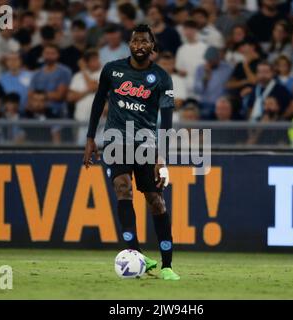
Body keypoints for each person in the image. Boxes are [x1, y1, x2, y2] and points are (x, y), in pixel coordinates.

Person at [83, 24, 180, 281]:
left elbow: (167, 122)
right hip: (116, 142)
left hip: (146, 145)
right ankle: (136, 254)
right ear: (130, 44)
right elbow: (98, 102)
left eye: (144, 41)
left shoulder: (161, 77)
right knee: (122, 188)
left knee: (155, 200)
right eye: (135, 41)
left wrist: (162, 158)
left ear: (152, 46)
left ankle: (167, 264)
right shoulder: (112, 70)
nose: (139, 45)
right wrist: (91, 138)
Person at [68, 49, 102, 146]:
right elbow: (70, 97)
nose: (97, 61)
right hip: (80, 121)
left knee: (100, 149)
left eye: (97, 59)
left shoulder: (104, 72)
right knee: (80, 150)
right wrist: (88, 91)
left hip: (100, 123)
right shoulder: (77, 76)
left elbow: (94, 86)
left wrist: (83, 69)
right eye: (93, 60)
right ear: (86, 62)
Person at [194, 46, 233, 119]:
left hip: (222, 105)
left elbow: (232, 85)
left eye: (212, 60)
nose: (209, 62)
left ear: (218, 58)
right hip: (205, 105)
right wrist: (205, 78)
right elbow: (197, 90)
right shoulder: (200, 69)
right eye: (208, 60)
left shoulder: (228, 68)